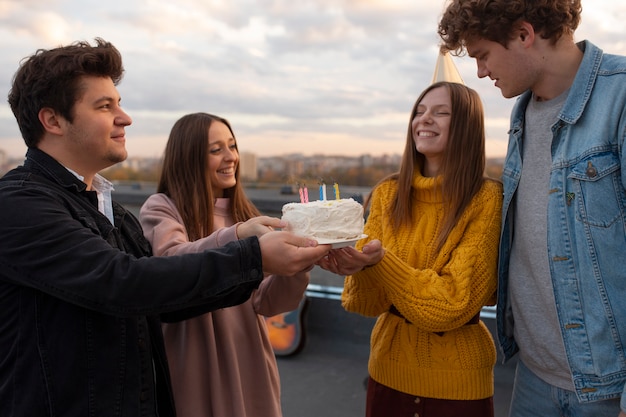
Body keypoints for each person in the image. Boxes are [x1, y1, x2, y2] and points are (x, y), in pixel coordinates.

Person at [0, 38, 329, 417]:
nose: (125, 118)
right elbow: (122, 283)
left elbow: (166, 304)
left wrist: (273, 252)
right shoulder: (19, 204)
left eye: (119, 104)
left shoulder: (113, 213)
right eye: (105, 106)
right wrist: (251, 253)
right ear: (53, 120)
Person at [438, 1, 626, 416]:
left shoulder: (621, 96)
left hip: (606, 389)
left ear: (524, 35)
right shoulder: (522, 114)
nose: (482, 72)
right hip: (533, 376)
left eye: (483, 55)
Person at [318, 81, 503, 417]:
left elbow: (450, 305)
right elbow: (362, 303)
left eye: (440, 112)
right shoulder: (388, 193)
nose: (424, 119)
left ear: (467, 126)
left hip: (458, 387)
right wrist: (356, 265)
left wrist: (381, 261)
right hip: (386, 372)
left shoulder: (487, 199)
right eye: (419, 112)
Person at [139, 112, 309, 417]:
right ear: (188, 158)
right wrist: (240, 236)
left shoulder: (245, 212)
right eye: (216, 150)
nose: (231, 157)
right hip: (193, 361)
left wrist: (298, 266)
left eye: (232, 146)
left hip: (250, 361)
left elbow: (269, 303)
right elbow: (170, 262)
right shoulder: (162, 208)